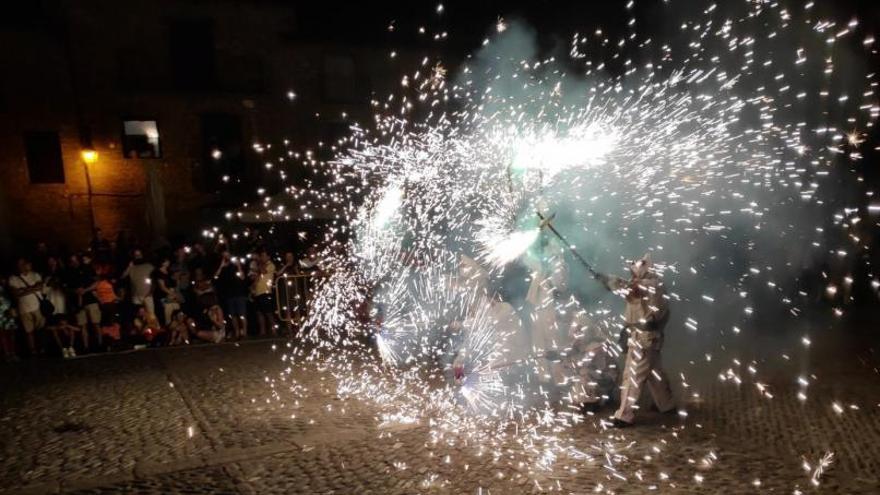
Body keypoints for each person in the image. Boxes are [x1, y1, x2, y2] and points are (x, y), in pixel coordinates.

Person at [598, 254, 676, 428]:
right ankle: (667, 404)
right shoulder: (650, 283)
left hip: (644, 339)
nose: (631, 273)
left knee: (631, 376)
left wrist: (609, 281)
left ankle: (624, 415)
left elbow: (630, 289)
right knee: (655, 373)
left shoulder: (652, 285)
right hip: (646, 339)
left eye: (633, 270)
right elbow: (627, 288)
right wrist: (606, 279)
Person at [8, 258, 45, 355]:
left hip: (37, 306)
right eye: (18, 264)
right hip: (24, 308)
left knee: (40, 329)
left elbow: (40, 287)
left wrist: (23, 290)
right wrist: (33, 289)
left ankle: (42, 348)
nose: (20, 266)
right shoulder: (13, 278)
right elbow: (16, 293)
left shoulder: (35, 275)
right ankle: (33, 351)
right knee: (29, 331)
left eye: (22, 264)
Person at [215, 251, 248, 340]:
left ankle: (244, 332)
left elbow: (242, 277)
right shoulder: (223, 268)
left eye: (228, 255)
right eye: (224, 255)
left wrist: (238, 266)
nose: (226, 257)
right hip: (229, 295)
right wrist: (221, 266)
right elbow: (215, 277)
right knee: (232, 315)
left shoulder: (236, 266)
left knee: (242, 314)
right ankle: (237, 332)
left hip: (239, 293)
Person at [249, 250, 276, 336]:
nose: (262, 258)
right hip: (258, 292)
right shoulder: (259, 266)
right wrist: (252, 287)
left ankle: (274, 330)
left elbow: (263, 271)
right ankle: (263, 332)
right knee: (259, 313)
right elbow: (256, 277)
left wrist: (258, 261)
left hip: (266, 291)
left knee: (268, 312)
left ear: (268, 257)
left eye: (264, 256)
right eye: (261, 256)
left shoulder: (271, 265)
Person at [121, 249, 155, 317]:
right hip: (136, 296)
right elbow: (122, 276)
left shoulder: (149, 266)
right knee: (138, 316)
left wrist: (150, 292)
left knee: (151, 315)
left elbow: (154, 280)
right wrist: (129, 267)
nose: (138, 257)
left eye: (139, 255)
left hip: (147, 296)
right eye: (136, 255)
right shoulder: (131, 267)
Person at [152, 257, 181, 326]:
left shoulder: (169, 271)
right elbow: (162, 287)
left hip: (171, 294)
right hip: (162, 295)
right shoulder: (158, 272)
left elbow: (174, 282)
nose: (168, 262)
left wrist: (177, 281)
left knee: (177, 309)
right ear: (162, 262)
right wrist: (172, 293)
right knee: (167, 312)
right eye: (166, 261)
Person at [0, 284, 18, 361]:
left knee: (10, 334)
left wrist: (13, 309)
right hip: (1, 314)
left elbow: (14, 299)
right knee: (3, 334)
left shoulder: (7, 288)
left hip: (9, 313)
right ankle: (7, 354)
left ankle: (12, 353)